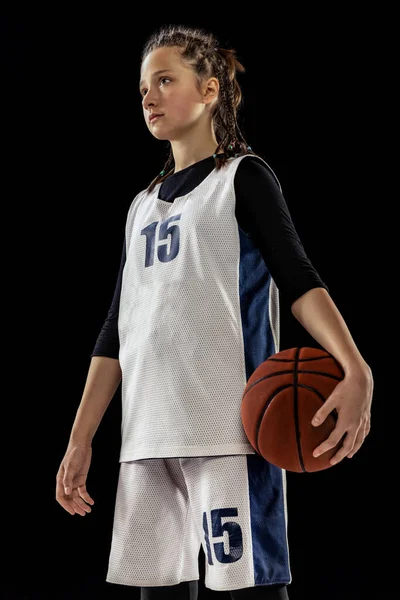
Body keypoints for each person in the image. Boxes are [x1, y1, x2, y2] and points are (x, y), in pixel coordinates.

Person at [55, 24, 374, 600]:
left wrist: (356, 367)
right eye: (143, 87)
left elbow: (299, 280)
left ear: (209, 91)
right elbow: (116, 331)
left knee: (248, 592)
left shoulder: (242, 178)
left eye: (165, 80)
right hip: (146, 439)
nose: (148, 96)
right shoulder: (140, 207)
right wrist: (81, 439)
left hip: (228, 431)